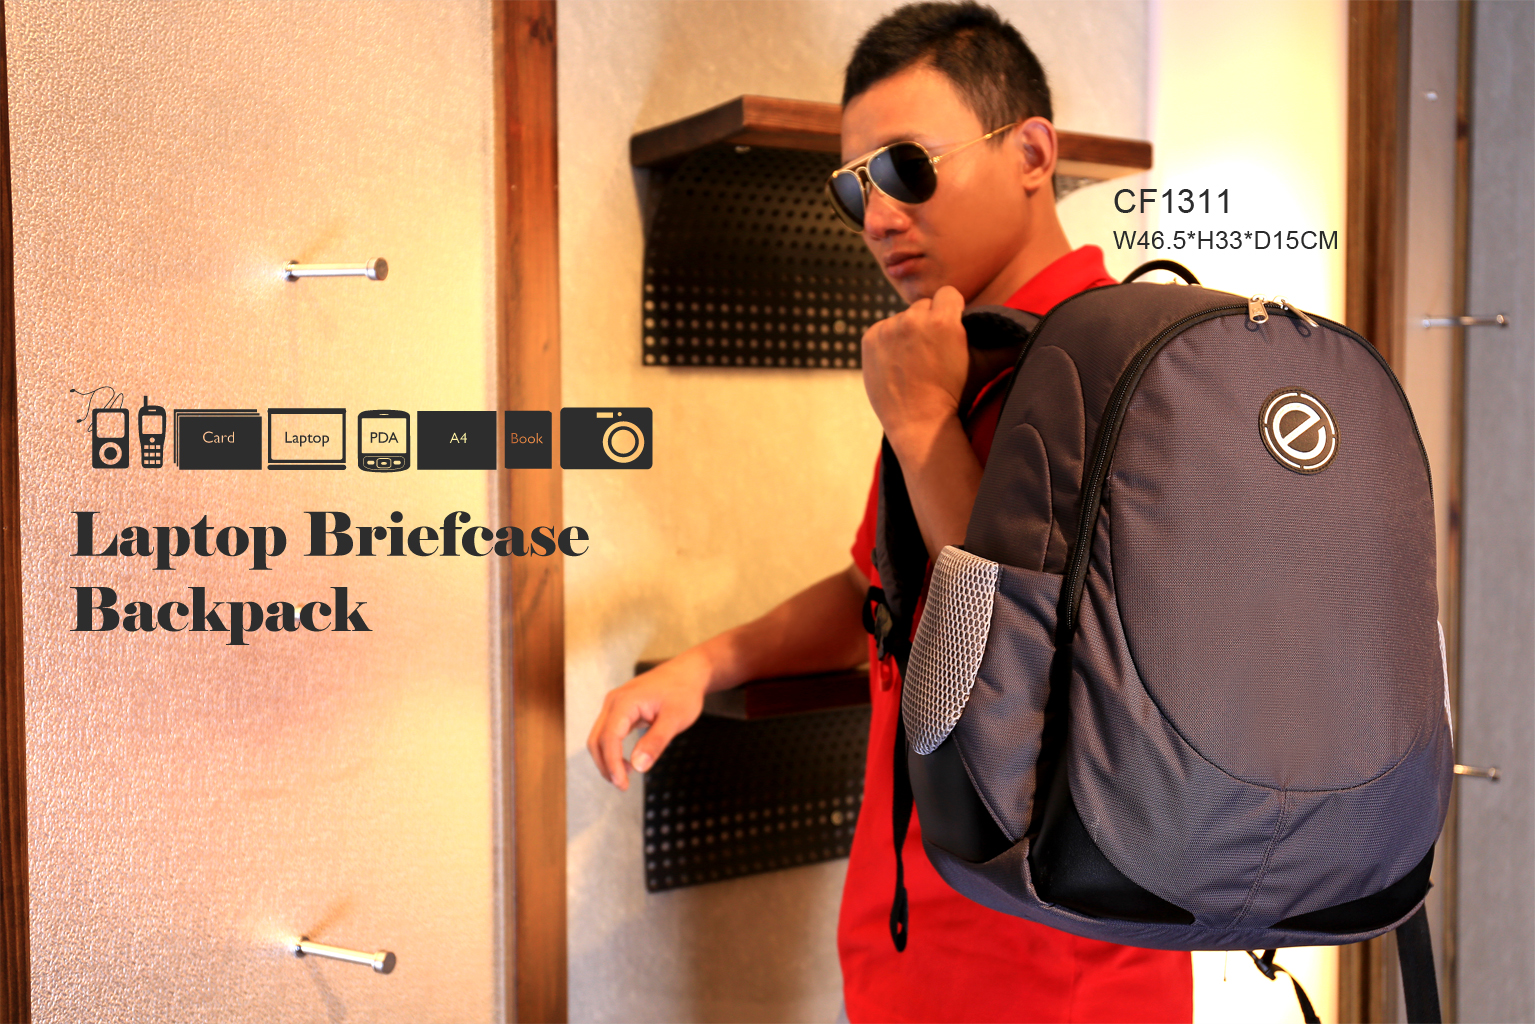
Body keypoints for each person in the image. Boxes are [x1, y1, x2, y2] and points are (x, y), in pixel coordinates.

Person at [587, 3, 1194, 1021]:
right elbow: (884, 591)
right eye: (853, 185)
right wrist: (705, 664)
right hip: (916, 936)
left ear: (1031, 153)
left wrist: (919, 428)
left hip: (1056, 966)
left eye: (907, 168)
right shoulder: (961, 355)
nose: (875, 216)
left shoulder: (1115, 369)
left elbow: (1016, 652)